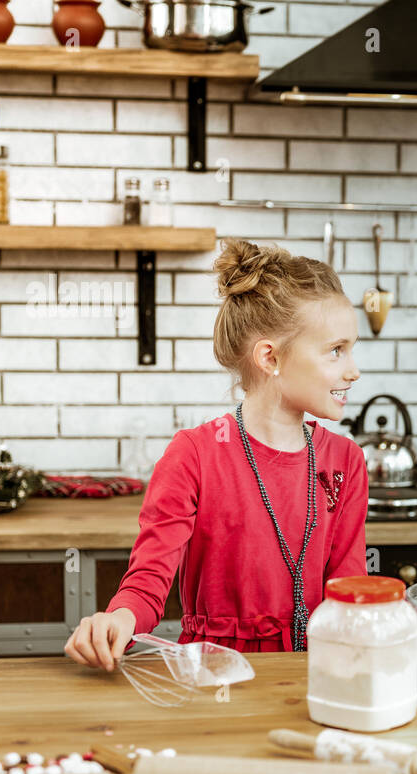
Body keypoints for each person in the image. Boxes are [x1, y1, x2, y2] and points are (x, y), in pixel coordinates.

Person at [65, 238, 366, 670]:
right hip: (215, 673)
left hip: (314, 674)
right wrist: (119, 618)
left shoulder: (346, 461)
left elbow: (350, 585)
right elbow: (149, 577)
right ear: (271, 357)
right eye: (336, 350)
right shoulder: (194, 455)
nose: (353, 370)